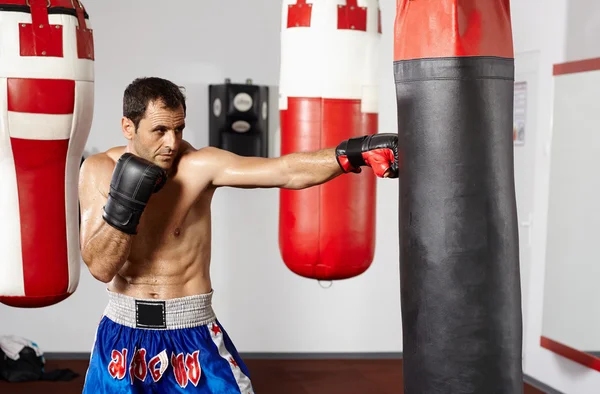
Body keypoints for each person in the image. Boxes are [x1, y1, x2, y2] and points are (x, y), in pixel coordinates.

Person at [79, 77, 398, 393]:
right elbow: (101, 268)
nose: (172, 143)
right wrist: (125, 204)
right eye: (160, 131)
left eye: (179, 129)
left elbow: (284, 171)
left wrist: (352, 154)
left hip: (190, 330)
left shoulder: (198, 165)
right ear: (128, 127)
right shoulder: (98, 170)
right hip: (122, 332)